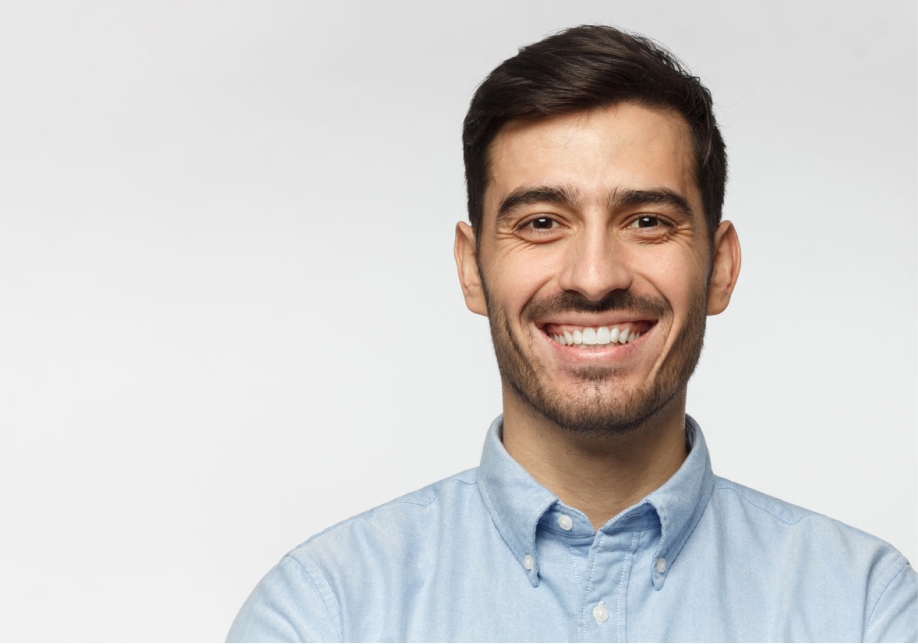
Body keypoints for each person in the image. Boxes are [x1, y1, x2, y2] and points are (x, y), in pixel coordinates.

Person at [227, 25, 917, 642]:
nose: (593, 278)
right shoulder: (325, 612)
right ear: (472, 269)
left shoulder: (864, 607)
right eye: (540, 223)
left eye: (647, 220)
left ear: (720, 267)